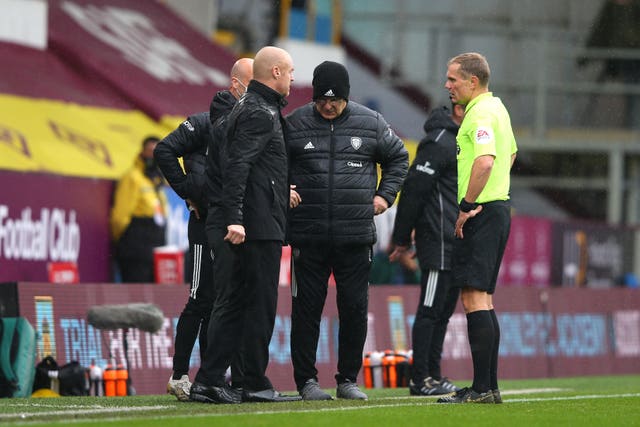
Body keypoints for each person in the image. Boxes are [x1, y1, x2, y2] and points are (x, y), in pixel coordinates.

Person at [286, 61, 409, 400]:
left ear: (346, 97)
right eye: (321, 100)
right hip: (307, 237)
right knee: (306, 311)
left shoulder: (370, 122)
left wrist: (385, 196)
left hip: (355, 237)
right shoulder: (294, 123)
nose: (328, 106)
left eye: (335, 100)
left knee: (353, 308)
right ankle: (306, 381)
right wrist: (283, 188)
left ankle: (347, 380)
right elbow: (274, 163)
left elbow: (399, 158)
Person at [189, 46, 301, 404]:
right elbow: (238, 167)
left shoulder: (250, 107)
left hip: (253, 217)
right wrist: (236, 218)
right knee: (257, 304)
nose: (294, 78)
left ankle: (214, 380)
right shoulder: (259, 112)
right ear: (277, 74)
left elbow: (250, 167)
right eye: (291, 71)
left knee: (236, 302)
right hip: (254, 223)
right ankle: (250, 382)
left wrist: (279, 189)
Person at [153, 58, 254, 401]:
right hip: (203, 224)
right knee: (199, 299)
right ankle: (179, 375)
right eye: (249, 85)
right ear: (235, 84)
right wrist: (188, 192)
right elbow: (164, 150)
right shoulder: (202, 123)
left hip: (233, 224)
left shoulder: (250, 127)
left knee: (221, 302)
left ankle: (213, 376)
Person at [437, 52, 517, 404]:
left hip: (481, 212)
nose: (447, 86)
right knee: (482, 298)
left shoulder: (481, 113)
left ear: (472, 81)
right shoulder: (497, 108)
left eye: (453, 79)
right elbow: (511, 154)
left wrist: (468, 204)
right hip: (497, 208)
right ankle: (488, 387)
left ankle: (483, 388)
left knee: (472, 298)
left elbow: (485, 160)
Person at [389, 103, 465, 396]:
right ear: (457, 111)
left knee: (442, 312)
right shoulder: (438, 142)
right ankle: (419, 379)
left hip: (454, 241)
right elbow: (413, 190)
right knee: (430, 311)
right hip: (438, 240)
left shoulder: (460, 140)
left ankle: (434, 374)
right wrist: (401, 239)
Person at [110, 136, 167, 283]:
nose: (153, 156)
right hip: (136, 249)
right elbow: (119, 217)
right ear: (142, 151)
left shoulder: (155, 180)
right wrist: (127, 241)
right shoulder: (132, 178)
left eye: (157, 152)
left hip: (155, 248)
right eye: (150, 151)